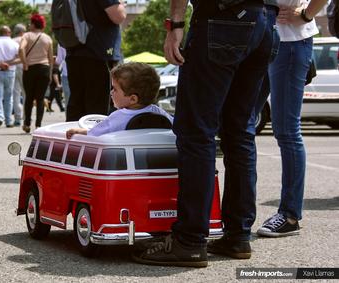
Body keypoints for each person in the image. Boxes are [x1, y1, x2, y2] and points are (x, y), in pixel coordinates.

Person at [132, 0, 279, 268]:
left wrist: (175, 25)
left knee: (196, 132)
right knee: (240, 133)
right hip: (265, 20)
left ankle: (189, 240)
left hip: (221, 17)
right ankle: (237, 235)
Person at [253, 0, 328, 238]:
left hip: (291, 41)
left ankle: (290, 214)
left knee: (286, 130)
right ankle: (237, 215)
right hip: (258, 39)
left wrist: (306, 15)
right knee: (241, 124)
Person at [66, 62, 172, 138]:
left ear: (133, 99)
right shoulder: (159, 113)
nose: (111, 92)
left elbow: (93, 134)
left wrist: (79, 131)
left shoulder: (118, 117)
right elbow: (175, 124)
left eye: (115, 89)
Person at [65, 0, 126, 122]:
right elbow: (118, 16)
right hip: (99, 52)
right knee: (98, 109)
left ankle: (74, 139)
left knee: (77, 104)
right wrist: (121, 4)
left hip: (75, 50)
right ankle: (94, 139)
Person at [19, 13, 53, 133]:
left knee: (29, 97)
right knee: (40, 98)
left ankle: (27, 124)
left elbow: (21, 48)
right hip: (44, 69)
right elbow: (50, 58)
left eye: (30, 23)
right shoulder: (47, 38)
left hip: (30, 69)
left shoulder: (27, 36)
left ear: (33, 24)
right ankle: (38, 125)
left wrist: (24, 62)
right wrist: (50, 74)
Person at [12, 23, 26, 126]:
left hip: (12, 68)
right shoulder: (25, 39)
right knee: (26, 93)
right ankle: (26, 117)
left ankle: (17, 118)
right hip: (23, 67)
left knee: (15, 94)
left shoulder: (11, 41)